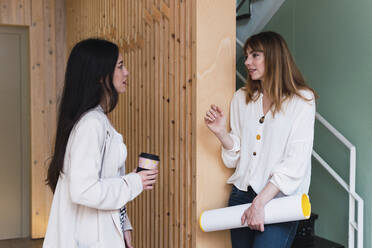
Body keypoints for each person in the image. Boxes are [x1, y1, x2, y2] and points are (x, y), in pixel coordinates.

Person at [204, 31, 317, 248]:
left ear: (274, 57)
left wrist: (260, 202)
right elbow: (236, 157)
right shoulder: (241, 98)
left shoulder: (302, 101)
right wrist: (221, 133)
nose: (247, 62)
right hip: (241, 196)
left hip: (279, 201)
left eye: (255, 55)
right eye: (246, 56)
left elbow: (296, 163)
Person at [43, 38, 158, 248]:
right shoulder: (91, 124)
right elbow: (84, 190)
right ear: (99, 76)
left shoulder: (96, 119)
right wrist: (134, 182)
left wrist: (124, 224)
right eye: (120, 66)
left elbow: (105, 180)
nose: (127, 72)